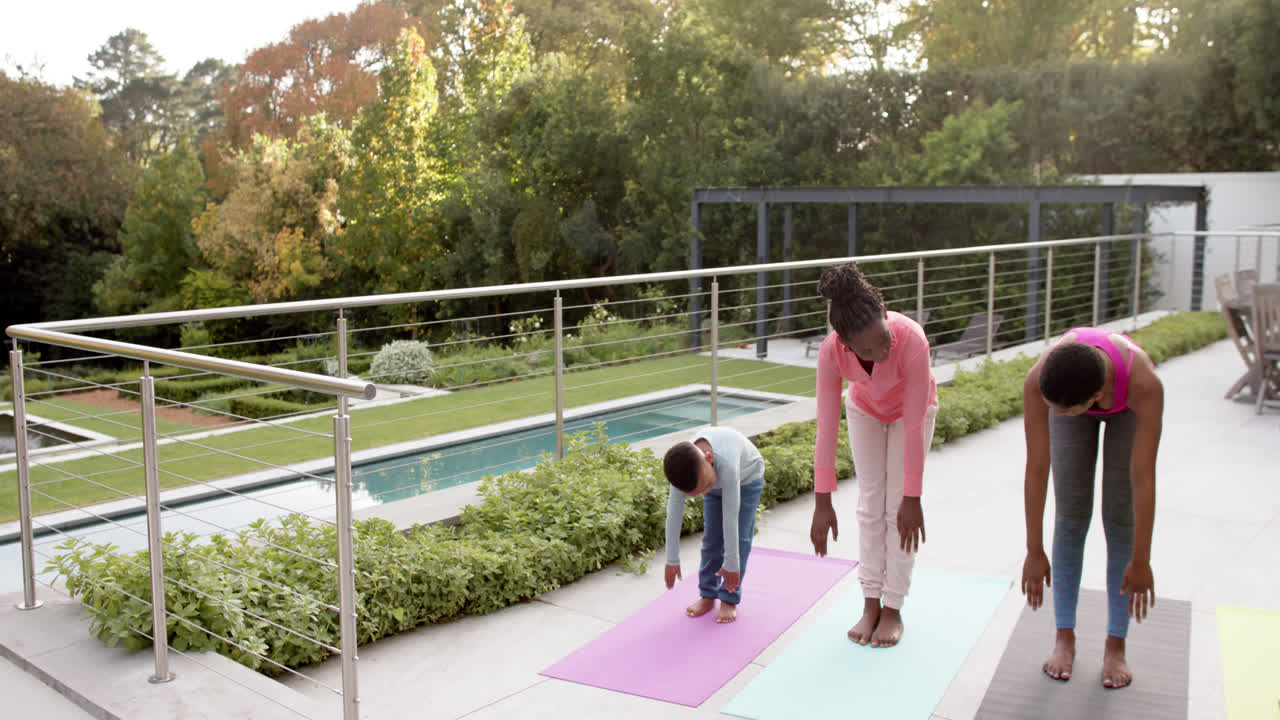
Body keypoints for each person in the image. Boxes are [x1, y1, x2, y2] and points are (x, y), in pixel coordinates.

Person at [1020, 327, 1162, 689]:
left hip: (1125, 407)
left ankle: (1116, 645)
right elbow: (1037, 468)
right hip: (1075, 390)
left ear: (1097, 397)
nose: (1058, 417)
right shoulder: (1040, 380)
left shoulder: (1144, 385)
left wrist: (1142, 560)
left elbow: (1144, 478)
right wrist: (1033, 549)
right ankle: (1064, 637)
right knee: (1071, 516)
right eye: (1054, 410)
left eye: (1065, 412)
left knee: (1119, 518)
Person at [808, 262, 938, 648]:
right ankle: (870, 603)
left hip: (911, 414)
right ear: (847, 345)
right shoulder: (831, 353)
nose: (881, 352)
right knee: (869, 506)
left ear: (884, 312)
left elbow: (913, 426)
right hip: (865, 409)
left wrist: (913, 497)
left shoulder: (911, 340)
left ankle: (893, 606)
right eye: (867, 349)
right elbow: (826, 428)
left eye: (883, 339)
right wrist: (822, 501)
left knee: (898, 509)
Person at [663, 425, 766, 624]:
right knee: (712, 539)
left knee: (739, 539)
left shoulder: (727, 464)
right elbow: (673, 514)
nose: (704, 492)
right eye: (698, 492)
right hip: (715, 478)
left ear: (709, 458)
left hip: (747, 479)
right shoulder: (683, 469)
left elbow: (730, 517)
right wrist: (672, 559)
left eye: (705, 487)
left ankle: (729, 598)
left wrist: (732, 564)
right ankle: (708, 594)